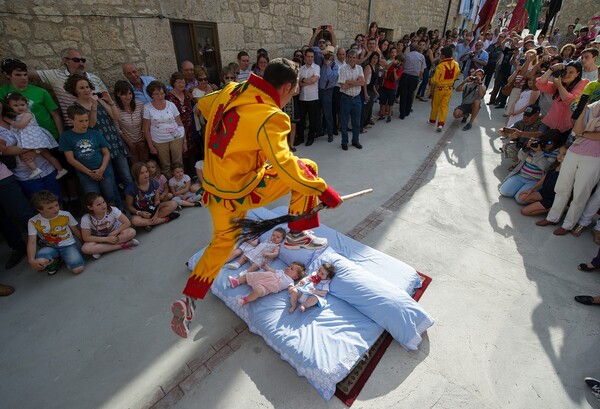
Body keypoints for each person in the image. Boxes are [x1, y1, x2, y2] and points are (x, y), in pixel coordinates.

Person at [170, 58, 343, 338]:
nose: (293, 95)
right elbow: (286, 166)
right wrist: (324, 191)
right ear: (286, 86)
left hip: (213, 190)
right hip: (243, 190)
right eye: (294, 90)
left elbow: (203, 105)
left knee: (221, 244)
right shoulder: (271, 116)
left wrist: (238, 142)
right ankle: (297, 233)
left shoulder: (231, 91)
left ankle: (188, 300)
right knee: (306, 168)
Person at [536, 100, 600, 235]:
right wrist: (583, 111)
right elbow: (577, 130)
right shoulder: (591, 106)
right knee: (562, 187)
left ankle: (568, 225)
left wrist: (583, 133)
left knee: (580, 193)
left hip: (595, 157)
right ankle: (552, 217)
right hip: (574, 150)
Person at [64, 73, 133, 191]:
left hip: (114, 140)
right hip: (99, 145)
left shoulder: (99, 101)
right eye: (81, 88)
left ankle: (133, 198)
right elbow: (91, 124)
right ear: (74, 90)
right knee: (109, 178)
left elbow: (116, 117)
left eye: (87, 87)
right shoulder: (75, 107)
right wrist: (94, 105)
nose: (86, 90)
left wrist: (110, 102)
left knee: (126, 174)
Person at [59, 105, 123, 208]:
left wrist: (101, 169)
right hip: (85, 174)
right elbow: (70, 159)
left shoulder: (95, 133)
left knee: (110, 194)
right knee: (92, 198)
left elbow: (106, 153)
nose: (84, 123)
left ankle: (116, 212)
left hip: (104, 171)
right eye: (80, 121)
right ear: (71, 120)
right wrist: (89, 173)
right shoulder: (66, 137)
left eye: (86, 120)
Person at [29, 48, 108, 126]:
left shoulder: (94, 78)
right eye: (76, 60)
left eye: (82, 60)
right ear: (65, 61)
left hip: (102, 123)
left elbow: (107, 101)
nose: (81, 63)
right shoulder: (56, 76)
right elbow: (26, 74)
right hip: (74, 126)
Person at [4, 92, 67, 179]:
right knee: (46, 154)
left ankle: (38, 169)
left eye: (22, 104)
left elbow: (21, 125)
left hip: (34, 137)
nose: (20, 107)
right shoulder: (17, 116)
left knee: (28, 153)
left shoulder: (27, 114)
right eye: (16, 105)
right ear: (10, 106)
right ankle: (59, 169)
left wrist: (9, 121)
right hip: (31, 137)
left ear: (27, 104)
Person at [0, 58, 63, 140]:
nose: (23, 78)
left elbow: (55, 115)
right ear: (8, 75)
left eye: (25, 74)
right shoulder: (3, 92)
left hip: (49, 135)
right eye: (18, 75)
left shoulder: (41, 92)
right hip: (24, 137)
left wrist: (62, 137)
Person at [27, 190, 84, 275]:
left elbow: (76, 230)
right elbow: (31, 242)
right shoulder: (32, 221)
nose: (56, 209)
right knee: (40, 262)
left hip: (67, 245)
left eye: (56, 205)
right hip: (49, 246)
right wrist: (31, 260)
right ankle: (54, 260)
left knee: (78, 269)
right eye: (50, 208)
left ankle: (62, 258)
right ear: (39, 210)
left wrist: (84, 243)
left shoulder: (66, 214)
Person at [498, 132, 560, 203]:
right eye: (544, 141)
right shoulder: (535, 145)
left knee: (520, 199)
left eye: (549, 142)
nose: (545, 144)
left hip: (535, 181)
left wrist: (539, 152)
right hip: (521, 175)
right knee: (504, 191)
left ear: (555, 143)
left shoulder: (554, 153)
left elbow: (544, 167)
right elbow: (520, 157)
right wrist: (526, 148)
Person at [0, 147, 34, 271]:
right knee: (2, 221)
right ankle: (18, 248)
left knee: (23, 213)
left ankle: (45, 241)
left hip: (2, 180)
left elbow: (2, 145)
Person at [143, 81, 186, 177]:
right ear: (151, 95)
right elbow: (146, 129)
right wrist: (150, 146)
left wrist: (185, 141)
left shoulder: (171, 105)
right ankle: (169, 185)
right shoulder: (147, 108)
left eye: (162, 93)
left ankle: (180, 183)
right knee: (165, 164)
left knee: (178, 163)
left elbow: (180, 123)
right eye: (156, 94)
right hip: (159, 140)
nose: (160, 96)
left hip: (176, 138)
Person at [535, 61, 588, 138]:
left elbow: (571, 100)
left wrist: (559, 86)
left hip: (569, 127)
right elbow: (540, 84)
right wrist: (552, 69)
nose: (567, 75)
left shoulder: (583, 83)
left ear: (578, 74)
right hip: (552, 124)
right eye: (565, 72)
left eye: (571, 72)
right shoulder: (560, 84)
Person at [80, 192, 138, 259]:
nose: (103, 205)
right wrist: (106, 239)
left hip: (116, 234)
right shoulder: (86, 218)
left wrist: (112, 234)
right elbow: (86, 237)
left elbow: (127, 223)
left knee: (131, 232)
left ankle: (101, 249)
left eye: (103, 202)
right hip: (100, 238)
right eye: (98, 204)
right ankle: (124, 245)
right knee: (85, 248)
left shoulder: (112, 210)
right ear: (90, 207)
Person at [124, 162, 179, 231]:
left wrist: (156, 214)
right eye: (142, 173)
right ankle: (165, 219)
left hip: (153, 209)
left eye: (146, 171)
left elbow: (157, 201)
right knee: (135, 221)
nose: (146, 174)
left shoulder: (153, 183)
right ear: (136, 175)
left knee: (173, 204)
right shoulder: (130, 189)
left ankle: (148, 223)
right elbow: (129, 206)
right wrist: (140, 213)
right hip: (140, 214)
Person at [227, 261, 306, 306]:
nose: (288, 268)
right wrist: (267, 268)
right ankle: (237, 281)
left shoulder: (290, 281)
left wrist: (295, 289)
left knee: (257, 292)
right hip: (262, 277)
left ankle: (245, 300)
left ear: (295, 277)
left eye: (291, 268)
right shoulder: (281, 271)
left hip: (266, 287)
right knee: (250, 275)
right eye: (289, 266)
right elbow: (273, 271)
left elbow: (291, 288)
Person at [518, 145, 567, 216]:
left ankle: (550, 208)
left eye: (564, 154)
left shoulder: (567, 172)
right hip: (543, 193)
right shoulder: (554, 166)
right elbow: (542, 181)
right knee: (522, 196)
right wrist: (531, 189)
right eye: (559, 153)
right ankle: (539, 204)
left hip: (551, 198)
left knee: (524, 211)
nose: (559, 156)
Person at [166, 72, 197, 174]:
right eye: (178, 82)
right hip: (177, 129)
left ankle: (192, 174)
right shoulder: (169, 97)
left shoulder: (187, 95)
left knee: (192, 150)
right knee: (181, 152)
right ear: (173, 83)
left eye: (183, 82)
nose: (181, 84)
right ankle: (181, 175)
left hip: (190, 128)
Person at [113, 80, 149, 164]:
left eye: (130, 93)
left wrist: (143, 140)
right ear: (118, 94)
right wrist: (130, 144)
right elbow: (118, 129)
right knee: (135, 164)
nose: (128, 97)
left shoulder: (139, 105)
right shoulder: (115, 108)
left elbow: (144, 123)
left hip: (142, 140)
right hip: (128, 142)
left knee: (146, 162)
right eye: (124, 94)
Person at [338, 50, 366, 150]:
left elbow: (362, 83)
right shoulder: (342, 69)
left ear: (356, 59)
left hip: (357, 98)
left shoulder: (360, 68)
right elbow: (343, 86)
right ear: (347, 58)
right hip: (346, 99)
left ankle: (355, 141)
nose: (352, 59)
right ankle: (344, 142)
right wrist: (356, 82)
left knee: (356, 122)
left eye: (354, 57)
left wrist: (349, 81)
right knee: (344, 123)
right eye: (350, 57)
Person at [428, 46, 460, 132]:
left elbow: (435, 80)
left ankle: (432, 120)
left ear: (443, 55)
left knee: (435, 105)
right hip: (449, 88)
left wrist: (430, 81)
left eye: (441, 54)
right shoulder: (456, 64)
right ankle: (441, 124)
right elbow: (457, 75)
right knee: (444, 106)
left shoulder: (440, 66)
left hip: (439, 89)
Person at [296, 49, 322, 147]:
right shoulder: (301, 68)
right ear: (305, 57)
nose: (310, 58)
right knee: (301, 120)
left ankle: (311, 138)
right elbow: (299, 83)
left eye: (312, 57)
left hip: (313, 98)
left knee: (312, 119)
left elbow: (313, 81)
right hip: (302, 97)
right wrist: (307, 80)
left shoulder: (316, 67)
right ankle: (301, 138)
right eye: (308, 56)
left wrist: (303, 81)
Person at [398, 41, 426, 120]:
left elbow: (402, 66)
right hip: (414, 77)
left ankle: (402, 113)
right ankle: (407, 111)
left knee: (403, 94)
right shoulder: (421, 56)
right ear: (417, 49)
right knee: (410, 94)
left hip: (405, 75)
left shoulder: (406, 56)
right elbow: (422, 69)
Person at [379, 50, 402, 123]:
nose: (393, 53)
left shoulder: (399, 66)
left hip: (392, 86)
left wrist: (394, 69)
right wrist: (391, 62)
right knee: (383, 101)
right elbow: (385, 68)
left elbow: (396, 78)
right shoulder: (389, 61)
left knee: (391, 102)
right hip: (385, 84)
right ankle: (382, 114)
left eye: (395, 52)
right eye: (392, 52)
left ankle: (389, 115)